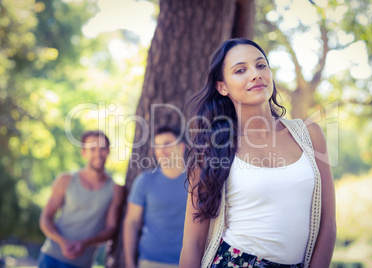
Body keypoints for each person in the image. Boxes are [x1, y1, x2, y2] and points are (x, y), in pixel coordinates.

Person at [179, 38, 336, 268]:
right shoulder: (211, 150)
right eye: (240, 70)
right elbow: (193, 242)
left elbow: (328, 223)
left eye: (261, 65)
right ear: (222, 87)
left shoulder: (310, 134)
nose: (255, 74)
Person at [38, 130, 124, 268]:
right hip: (51, 257)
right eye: (92, 149)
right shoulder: (65, 180)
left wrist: (85, 243)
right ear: (83, 152)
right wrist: (62, 242)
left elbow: (111, 228)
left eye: (102, 148)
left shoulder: (116, 189)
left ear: (108, 151)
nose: (98, 153)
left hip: (82, 263)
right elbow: (46, 218)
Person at [123, 125, 188, 268]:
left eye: (167, 144)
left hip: (188, 262)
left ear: (181, 147)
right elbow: (132, 222)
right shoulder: (145, 181)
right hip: (150, 261)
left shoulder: (197, 182)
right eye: (157, 146)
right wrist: (129, 263)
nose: (162, 151)